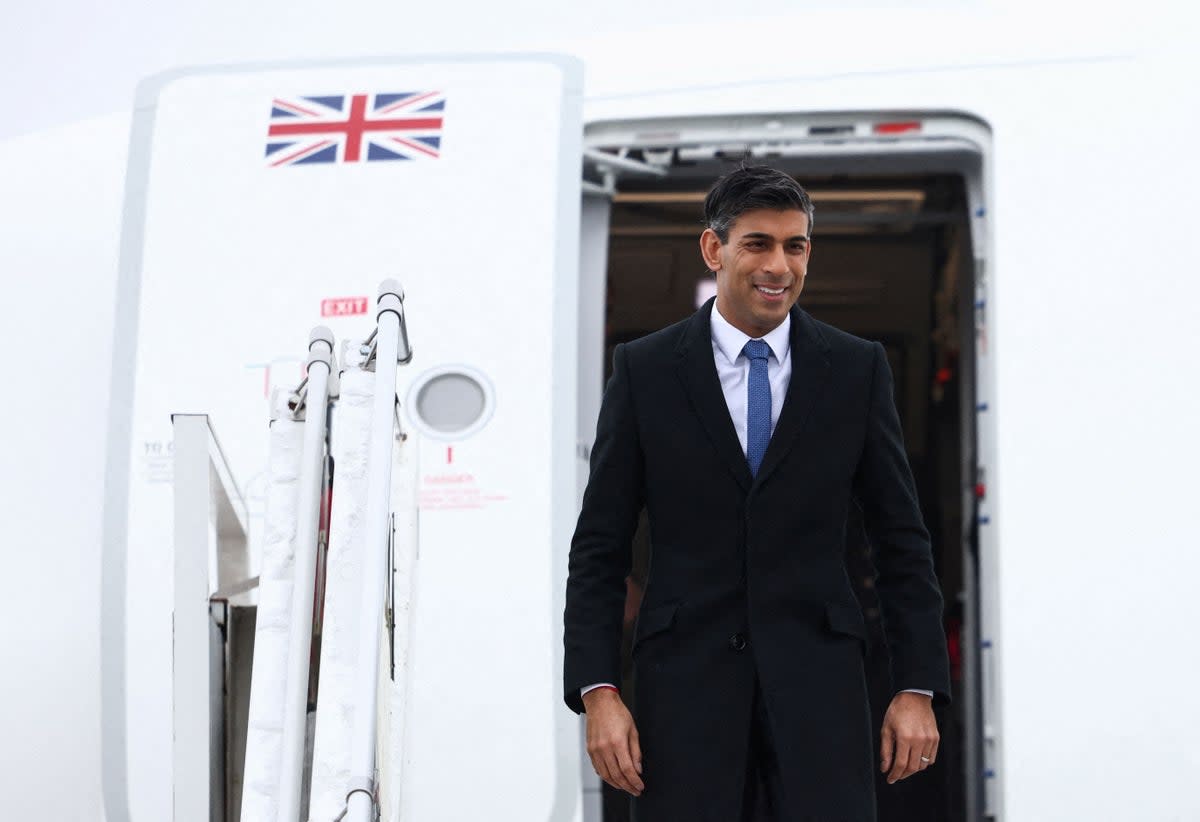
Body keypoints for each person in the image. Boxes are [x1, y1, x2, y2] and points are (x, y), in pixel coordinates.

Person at [563, 165, 951, 821]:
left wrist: (917, 685)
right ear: (715, 249)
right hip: (682, 697)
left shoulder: (856, 370)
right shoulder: (646, 370)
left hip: (820, 692)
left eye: (795, 245)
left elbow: (901, 540)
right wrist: (598, 691)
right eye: (758, 244)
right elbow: (599, 546)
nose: (780, 265)